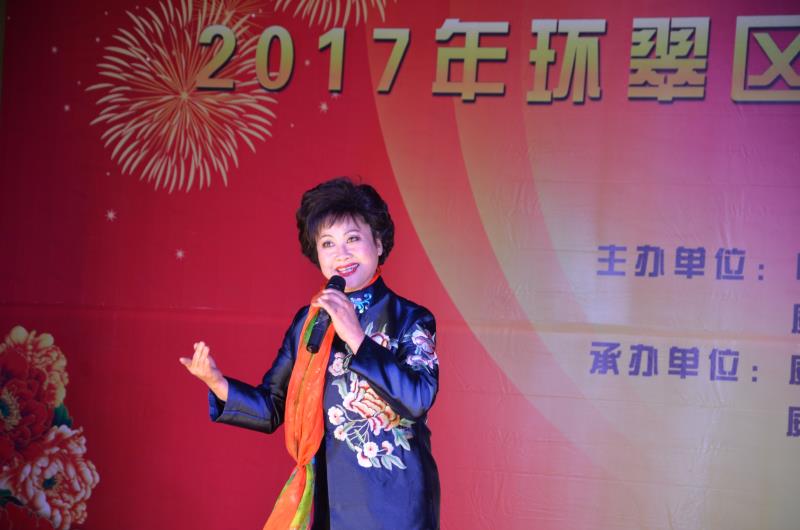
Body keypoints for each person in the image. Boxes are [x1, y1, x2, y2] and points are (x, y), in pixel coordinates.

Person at [179, 178, 440, 530]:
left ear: (378, 243)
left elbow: (418, 398)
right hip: (330, 505)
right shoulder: (309, 322)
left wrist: (356, 337)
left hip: (397, 506)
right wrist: (217, 382)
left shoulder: (411, 318)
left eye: (352, 239)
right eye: (327, 243)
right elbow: (273, 407)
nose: (341, 254)